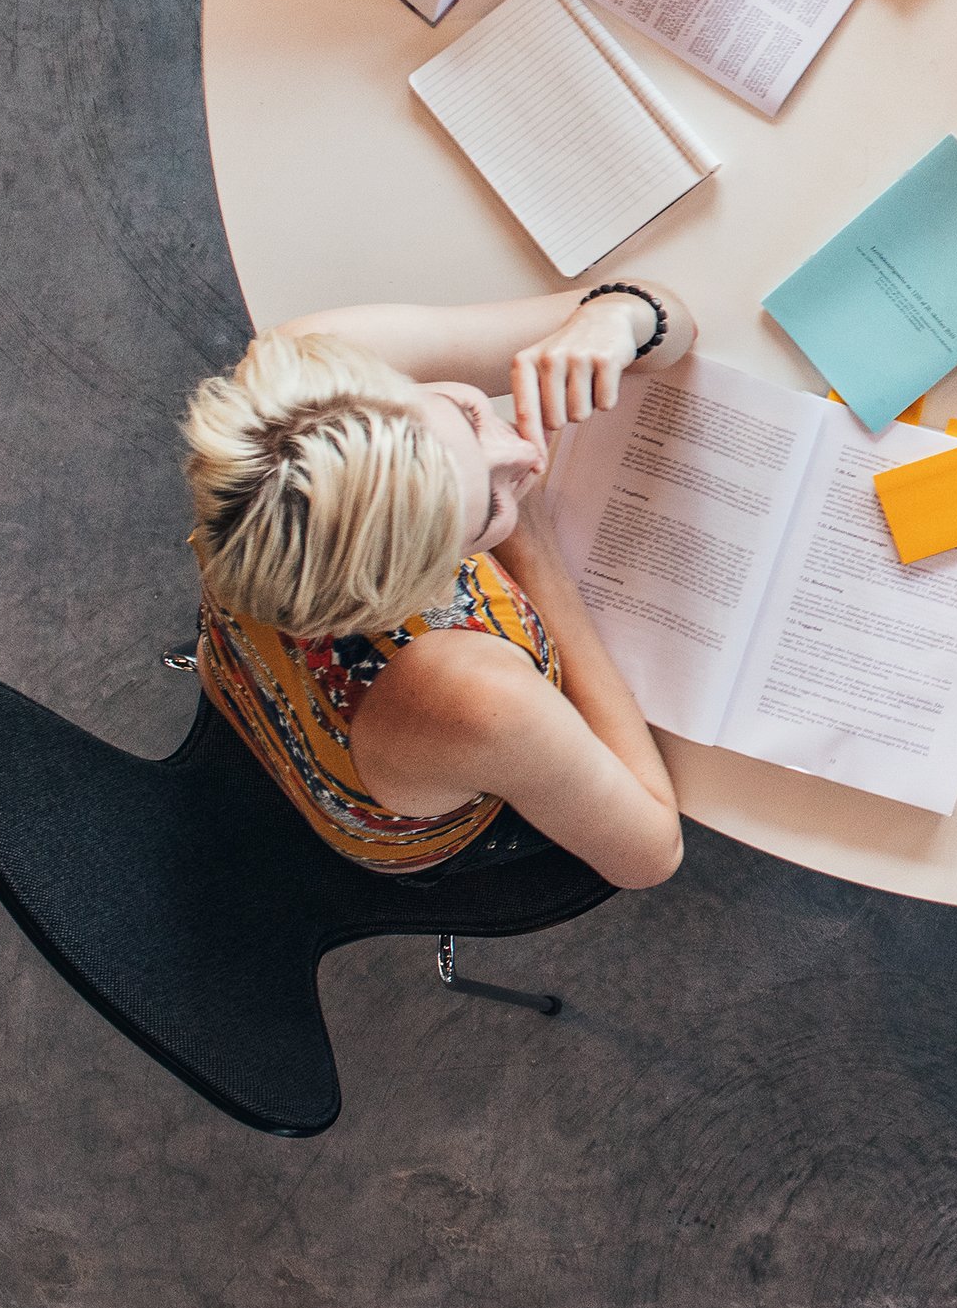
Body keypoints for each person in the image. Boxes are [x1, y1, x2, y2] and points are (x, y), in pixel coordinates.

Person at [179, 282, 693, 890]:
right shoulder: (478, 696)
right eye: (487, 511)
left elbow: (670, 316)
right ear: (418, 589)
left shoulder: (311, 374)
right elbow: (651, 854)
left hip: (247, 672)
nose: (525, 453)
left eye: (469, 414)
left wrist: (617, 317)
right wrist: (532, 550)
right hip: (408, 812)